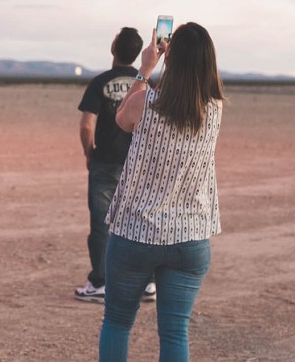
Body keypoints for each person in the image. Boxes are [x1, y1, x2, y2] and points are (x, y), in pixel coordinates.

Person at [98, 22, 225, 362]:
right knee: (174, 331)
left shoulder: (146, 103)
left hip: (135, 235)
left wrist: (145, 69)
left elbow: (122, 119)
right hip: (190, 238)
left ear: (172, 57)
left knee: (117, 323)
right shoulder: (214, 110)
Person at [75, 27, 156, 305]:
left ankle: (100, 282)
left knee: (101, 224)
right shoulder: (146, 84)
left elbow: (87, 124)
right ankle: (146, 283)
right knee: (138, 222)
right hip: (136, 164)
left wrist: (89, 153)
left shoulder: (100, 83)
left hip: (105, 162)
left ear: (114, 47)